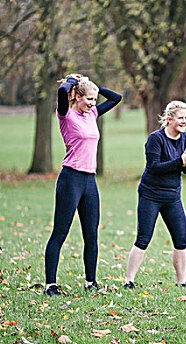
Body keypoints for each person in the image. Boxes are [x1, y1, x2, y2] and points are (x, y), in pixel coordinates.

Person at [44, 74, 122, 296]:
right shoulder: (65, 115)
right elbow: (61, 92)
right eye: (88, 99)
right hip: (71, 180)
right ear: (76, 97)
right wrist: (71, 79)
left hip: (89, 181)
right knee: (60, 232)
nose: (92, 103)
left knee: (92, 234)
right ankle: (50, 284)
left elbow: (116, 98)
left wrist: (95, 86)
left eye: (95, 99)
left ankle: (91, 282)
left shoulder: (93, 114)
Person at [123, 101, 186, 289]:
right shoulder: (156, 139)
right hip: (151, 195)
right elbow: (154, 168)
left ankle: (182, 280)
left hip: (173, 197)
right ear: (169, 119)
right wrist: (179, 163)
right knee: (143, 239)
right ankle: (129, 280)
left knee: (181, 239)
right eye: (181, 118)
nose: (184, 121)